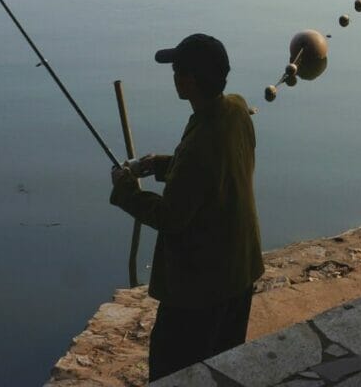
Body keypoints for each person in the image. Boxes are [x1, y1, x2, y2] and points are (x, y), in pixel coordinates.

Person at [109, 33, 263, 383]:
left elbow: (171, 217)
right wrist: (156, 164)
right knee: (224, 367)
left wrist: (126, 191)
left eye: (176, 70)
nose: (173, 76)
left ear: (189, 81)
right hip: (240, 270)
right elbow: (212, 174)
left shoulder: (200, 145)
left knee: (172, 373)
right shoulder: (236, 110)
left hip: (201, 288)